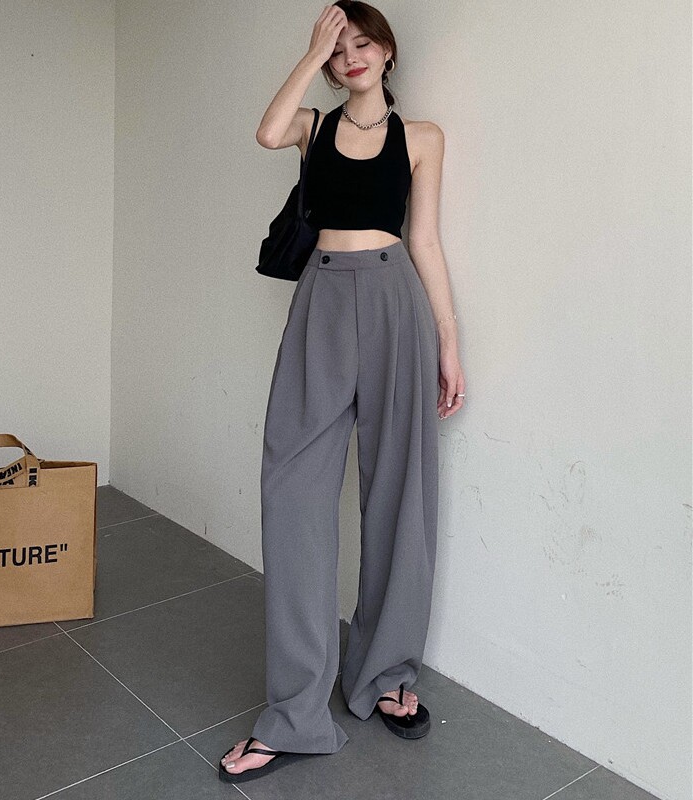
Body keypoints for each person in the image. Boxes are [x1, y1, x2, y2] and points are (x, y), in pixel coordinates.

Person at [219, 0, 465, 783]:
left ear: (386, 49)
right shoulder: (312, 128)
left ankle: (384, 674)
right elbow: (266, 133)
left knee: (399, 491)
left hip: (396, 301)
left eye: (362, 42)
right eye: (337, 48)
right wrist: (308, 52)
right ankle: (295, 713)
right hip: (321, 299)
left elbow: (424, 239)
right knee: (293, 494)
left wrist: (449, 343)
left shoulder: (422, 137)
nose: (350, 56)